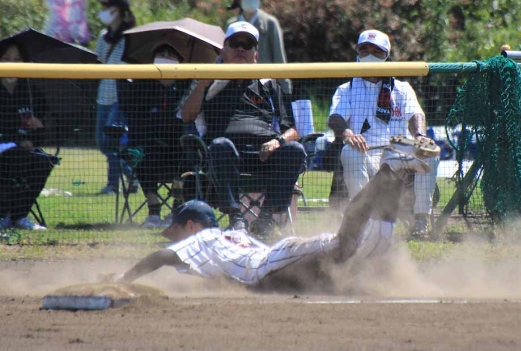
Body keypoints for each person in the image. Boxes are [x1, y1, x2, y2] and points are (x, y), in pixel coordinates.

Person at [103, 139, 438, 286]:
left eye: (175, 230)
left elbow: (162, 257)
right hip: (280, 260)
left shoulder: (204, 238)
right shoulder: (229, 237)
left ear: (190, 226)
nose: (173, 238)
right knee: (371, 248)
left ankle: (387, 171)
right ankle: (397, 173)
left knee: (346, 243)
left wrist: (123, 279)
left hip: (272, 263)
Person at [181, 21, 306, 238]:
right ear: (223, 50)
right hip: (225, 155)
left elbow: (293, 129)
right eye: (235, 44)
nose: (240, 49)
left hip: (265, 154)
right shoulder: (209, 81)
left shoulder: (268, 84)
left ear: (255, 55)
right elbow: (187, 115)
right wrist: (202, 84)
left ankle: (265, 218)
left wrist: (277, 142)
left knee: (295, 150)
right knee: (220, 145)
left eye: (247, 45)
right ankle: (235, 218)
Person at [328, 29, 440, 238]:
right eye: (364, 50)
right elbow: (335, 117)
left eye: (377, 52)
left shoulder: (402, 88)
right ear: (357, 53)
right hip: (366, 152)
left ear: (387, 56)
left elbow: (416, 114)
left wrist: (419, 136)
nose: (369, 55)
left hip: (398, 151)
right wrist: (348, 133)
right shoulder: (346, 89)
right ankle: (361, 219)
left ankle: (421, 219)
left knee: (429, 154)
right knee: (350, 152)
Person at [117, 43, 194, 228]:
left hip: (178, 145)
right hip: (149, 143)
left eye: (170, 54)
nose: (165, 57)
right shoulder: (141, 85)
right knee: (142, 154)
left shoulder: (188, 85)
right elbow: (134, 118)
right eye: (161, 53)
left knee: (189, 154)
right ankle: (153, 210)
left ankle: (176, 210)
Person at [0, 43, 58, 231]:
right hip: (5, 149)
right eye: (6, 59)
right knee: (16, 158)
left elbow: (41, 134)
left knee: (44, 161)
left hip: (24, 151)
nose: (12, 63)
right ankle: (3, 214)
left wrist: (37, 129)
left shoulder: (32, 93)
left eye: (17, 59)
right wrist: (17, 141)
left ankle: (19, 216)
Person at [93, 0, 138, 195]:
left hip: (120, 97)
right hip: (103, 95)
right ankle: (132, 174)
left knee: (111, 141)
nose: (102, 11)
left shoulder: (131, 37)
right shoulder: (103, 37)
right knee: (102, 143)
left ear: (117, 10)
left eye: (106, 7)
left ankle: (113, 185)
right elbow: (99, 62)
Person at [225, 0, 291, 94]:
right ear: (239, 0)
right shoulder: (231, 25)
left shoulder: (270, 23)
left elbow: (279, 57)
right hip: (236, 86)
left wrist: (285, 89)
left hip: (265, 86)